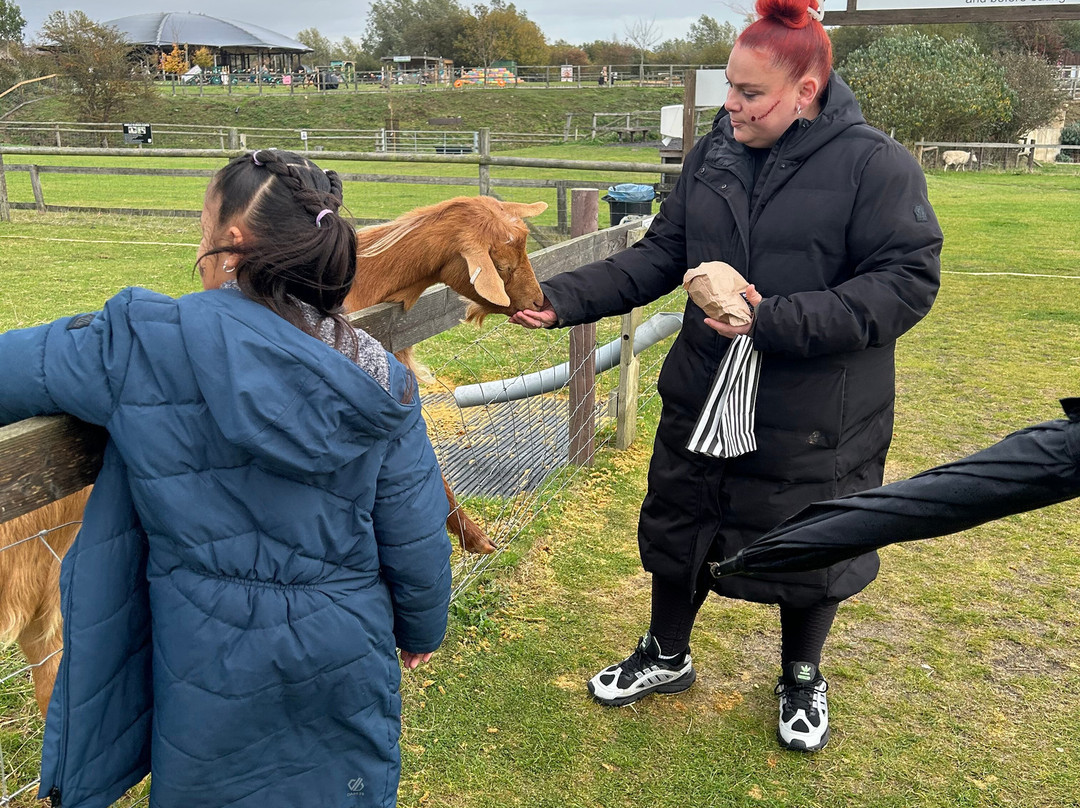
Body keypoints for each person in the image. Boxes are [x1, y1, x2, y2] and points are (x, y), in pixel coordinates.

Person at [511, 0, 942, 752]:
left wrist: (770, 319)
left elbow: (905, 283)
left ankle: (802, 677)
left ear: (805, 91)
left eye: (751, 94)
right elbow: (663, 251)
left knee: (813, 542)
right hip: (707, 385)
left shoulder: (875, 165)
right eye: (729, 91)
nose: (732, 107)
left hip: (816, 406)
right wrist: (563, 298)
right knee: (680, 525)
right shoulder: (715, 152)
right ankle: (666, 654)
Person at [0, 149, 452, 806]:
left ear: (232, 246)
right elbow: (416, 534)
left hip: (208, 655)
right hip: (344, 647)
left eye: (203, 232)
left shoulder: (141, 342)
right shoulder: (379, 376)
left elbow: (15, 369)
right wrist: (421, 628)